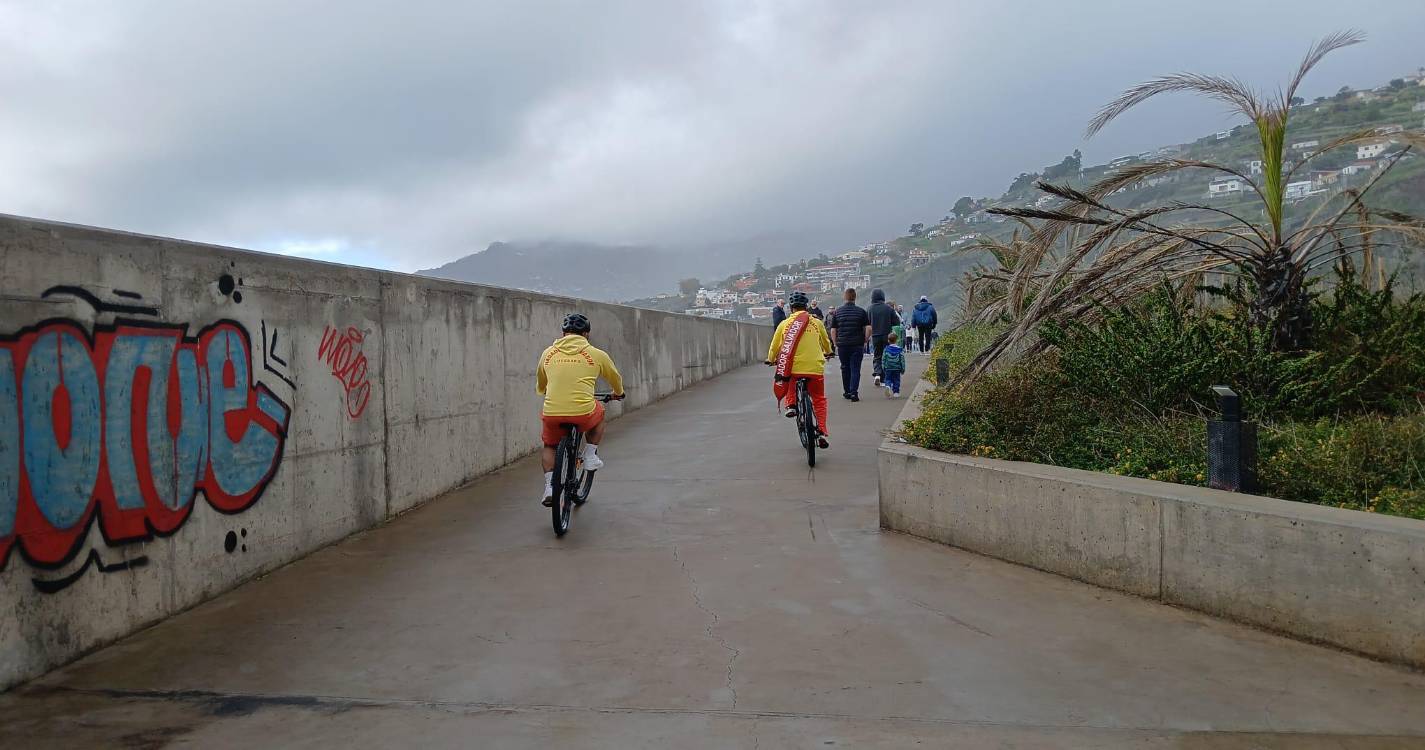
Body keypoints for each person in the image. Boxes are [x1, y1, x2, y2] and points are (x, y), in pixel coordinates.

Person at [536, 313, 625, 507]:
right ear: (586, 334)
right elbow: (615, 378)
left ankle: (549, 487)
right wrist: (618, 392)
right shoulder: (596, 354)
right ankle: (590, 455)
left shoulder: (547, 353)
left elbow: (541, 383)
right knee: (599, 411)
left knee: (550, 446)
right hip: (583, 412)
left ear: (563, 333)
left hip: (552, 412)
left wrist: (545, 390)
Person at [765, 291, 833, 448]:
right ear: (807, 307)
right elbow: (826, 342)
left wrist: (770, 359)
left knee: (788, 376)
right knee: (819, 399)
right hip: (815, 367)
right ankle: (822, 432)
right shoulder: (816, 323)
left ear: (791, 308)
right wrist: (829, 352)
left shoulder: (784, 324)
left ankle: (791, 405)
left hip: (794, 368)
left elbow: (774, 347)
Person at [827, 288, 871, 401]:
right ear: (855, 297)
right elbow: (868, 328)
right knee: (855, 369)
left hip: (843, 345)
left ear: (845, 297)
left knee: (845, 368)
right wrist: (865, 340)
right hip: (857, 344)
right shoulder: (861, 311)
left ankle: (846, 391)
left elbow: (833, 330)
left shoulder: (838, 312)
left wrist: (835, 343)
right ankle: (854, 393)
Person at [866, 289, 900, 387]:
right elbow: (896, 322)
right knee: (886, 356)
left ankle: (877, 374)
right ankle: (884, 378)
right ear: (883, 296)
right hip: (886, 335)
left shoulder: (869, 309)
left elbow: (866, 323)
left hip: (875, 336)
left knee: (877, 355)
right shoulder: (888, 308)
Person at [880, 332, 906, 398]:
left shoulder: (886, 349)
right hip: (897, 368)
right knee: (896, 380)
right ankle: (896, 392)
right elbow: (902, 360)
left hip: (888, 367)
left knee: (888, 379)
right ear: (896, 340)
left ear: (888, 340)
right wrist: (903, 368)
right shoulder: (899, 350)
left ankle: (888, 386)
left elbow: (883, 359)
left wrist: (883, 367)